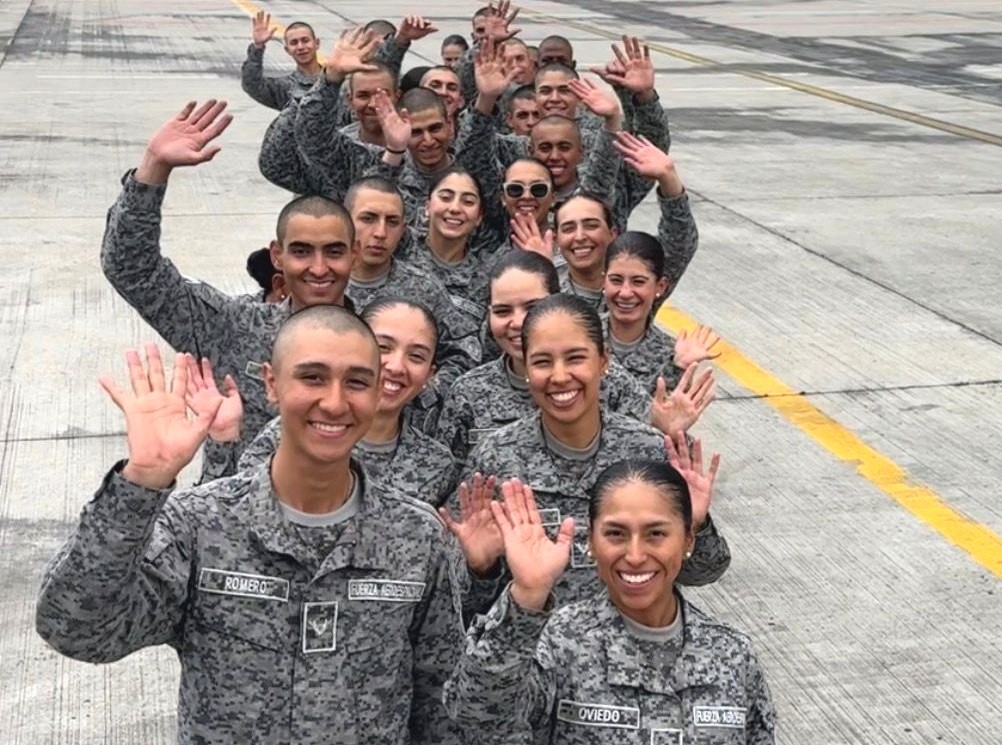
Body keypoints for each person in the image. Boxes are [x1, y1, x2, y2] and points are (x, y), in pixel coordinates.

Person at [36, 307, 467, 745]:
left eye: (356, 382)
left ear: (377, 394)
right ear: (271, 384)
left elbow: (441, 703)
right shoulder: (203, 524)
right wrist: (140, 484)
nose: (335, 402)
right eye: (312, 377)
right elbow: (76, 631)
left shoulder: (418, 536)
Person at [102, 99, 360, 480]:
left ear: (354, 255)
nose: (319, 268)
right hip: (234, 529)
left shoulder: (386, 338)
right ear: (277, 255)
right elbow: (132, 269)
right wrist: (153, 170)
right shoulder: (233, 326)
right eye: (302, 251)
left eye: (334, 252)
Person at [444, 460, 776, 744]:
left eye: (656, 534)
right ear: (591, 542)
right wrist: (527, 595)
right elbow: (476, 718)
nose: (634, 555)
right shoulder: (559, 642)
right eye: (615, 534)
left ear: (688, 540)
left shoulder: (732, 654)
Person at [455, 294, 729, 614]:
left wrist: (693, 525)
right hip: (534, 653)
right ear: (527, 368)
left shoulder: (649, 450)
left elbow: (706, 572)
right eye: (542, 361)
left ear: (604, 361)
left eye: (575, 358)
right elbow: (462, 603)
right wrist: (481, 568)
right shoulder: (496, 459)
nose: (559, 376)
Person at [436, 252, 670, 465]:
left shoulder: (607, 379)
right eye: (502, 311)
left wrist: (667, 430)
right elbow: (450, 479)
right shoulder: (468, 392)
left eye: (532, 307)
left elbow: (653, 447)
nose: (518, 322)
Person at [238, 299, 459, 506]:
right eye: (383, 347)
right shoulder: (287, 436)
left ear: (430, 375)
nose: (396, 367)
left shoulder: (437, 464)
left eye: (416, 356)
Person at [604, 232, 720, 394]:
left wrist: (678, 368)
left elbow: (669, 415)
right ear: (604, 281)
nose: (625, 292)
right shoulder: (579, 336)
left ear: (660, 286)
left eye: (638, 282)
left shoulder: (672, 354)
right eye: (616, 280)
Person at [241, 13, 321, 110]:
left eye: (305, 40)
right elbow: (252, 85)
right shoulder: (285, 88)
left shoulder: (337, 81)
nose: (300, 47)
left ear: (316, 43)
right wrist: (258, 47)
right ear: (287, 50)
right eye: (294, 43)